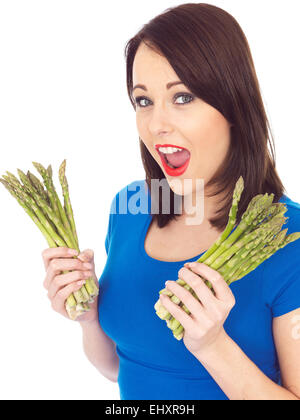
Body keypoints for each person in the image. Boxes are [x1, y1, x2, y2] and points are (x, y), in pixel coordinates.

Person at [42, 3, 300, 400]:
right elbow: (117, 367)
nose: (156, 123)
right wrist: (90, 320)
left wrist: (214, 346)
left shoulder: (290, 238)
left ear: (232, 104)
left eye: (182, 97)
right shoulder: (129, 207)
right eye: (143, 100)